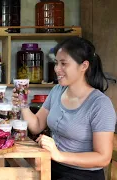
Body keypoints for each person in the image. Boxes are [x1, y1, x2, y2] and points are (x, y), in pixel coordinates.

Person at [12, 37, 116, 180]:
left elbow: (103, 158)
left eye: (63, 64)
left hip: (83, 175)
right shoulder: (57, 91)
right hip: (52, 166)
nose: (57, 69)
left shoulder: (100, 104)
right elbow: (36, 126)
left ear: (83, 66)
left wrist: (59, 155)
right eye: (56, 63)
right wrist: (22, 104)